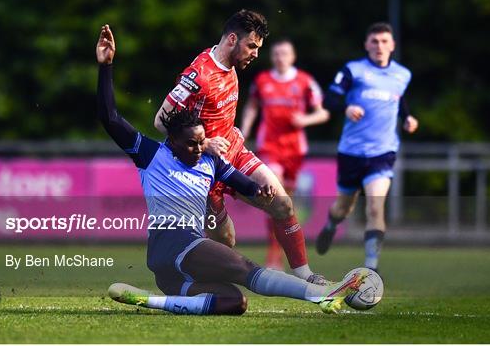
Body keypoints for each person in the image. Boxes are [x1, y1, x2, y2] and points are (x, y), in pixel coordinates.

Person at [96, 24, 368, 315]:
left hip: (172, 274)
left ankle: (148, 300)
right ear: (172, 140)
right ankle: (321, 294)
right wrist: (106, 66)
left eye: (202, 142)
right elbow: (110, 118)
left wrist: (260, 190)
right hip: (173, 244)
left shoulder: (210, 161)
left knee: (234, 302)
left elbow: (246, 184)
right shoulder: (151, 154)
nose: (199, 148)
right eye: (191, 143)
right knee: (244, 267)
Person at [153, 10, 326, 285]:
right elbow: (160, 121)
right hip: (204, 171)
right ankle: (190, 282)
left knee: (282, 205)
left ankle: (307, 276)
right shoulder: (197, 76)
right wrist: (205, 143)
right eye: (252, 46)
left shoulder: (232, 65)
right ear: (232, 39)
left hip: (234, 153)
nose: (256, 54)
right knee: (226, 240)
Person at [315, 22, 419, 272]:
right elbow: (329, 99)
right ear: (366, 45)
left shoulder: (402, 74)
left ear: (392, 45)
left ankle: (372, 267)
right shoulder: (354, 70)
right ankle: (331, 225)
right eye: (374, 41)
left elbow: (399, 97)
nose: (379, 46)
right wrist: (346, 107)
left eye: (384, 41)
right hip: (351, 151)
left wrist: (407, 118)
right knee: (343, 208)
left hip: (382, 153)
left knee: (375, 205)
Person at [240, 39, 330, 270]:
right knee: (275, 190)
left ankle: (282, 252)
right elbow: (252, 106)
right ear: (272, 57)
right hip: (270, 146)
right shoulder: (262, 81)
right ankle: (273, 256)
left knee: (284, 203)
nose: (280, 57)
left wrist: (305, 119)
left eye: (285, 53)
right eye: (277, 53)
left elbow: (323, 114)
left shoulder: (304, 82)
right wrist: (245, 129)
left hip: (295, 150)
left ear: (293, 56)